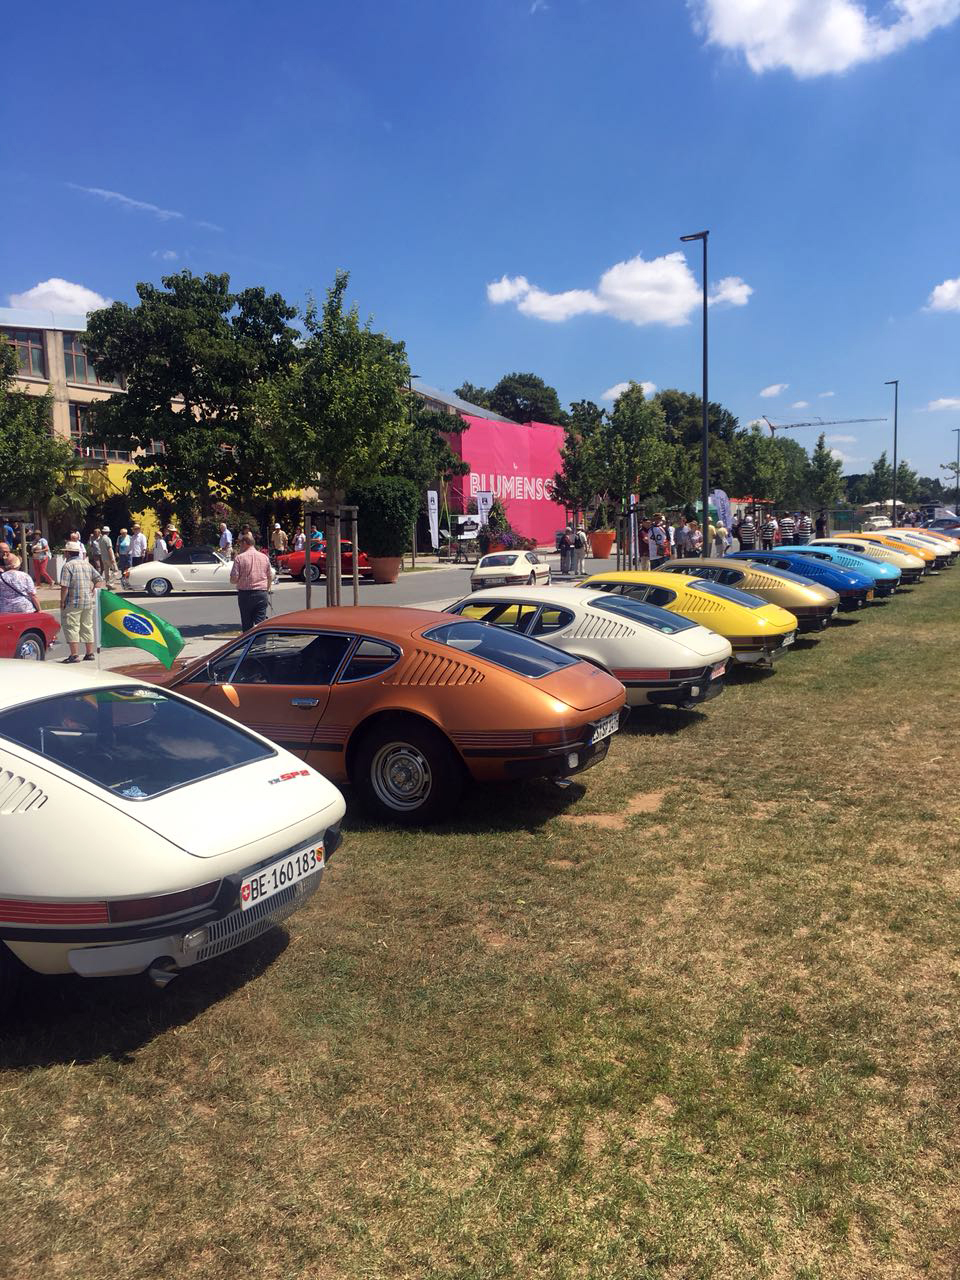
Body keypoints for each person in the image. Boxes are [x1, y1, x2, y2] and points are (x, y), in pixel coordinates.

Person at [59, 541, 104, 662]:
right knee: (87, 626)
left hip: (73, 601)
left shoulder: (68, 566)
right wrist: (93, 590)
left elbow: (64, 586)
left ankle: (74, 654)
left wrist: (62, 601)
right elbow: (99, 579)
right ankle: (89, 653)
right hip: (87, 601)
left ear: (68, 553)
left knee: (72, 626)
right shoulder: (86, 564)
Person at [230, 532, 273, 631]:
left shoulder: (239, 558)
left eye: (241, 544)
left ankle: (249, 640)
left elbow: (234, 579)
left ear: (245, 543)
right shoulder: (264, 557)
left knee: (247, 624)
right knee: (260, 625)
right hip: (261, 593)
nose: (240, 546)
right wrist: (266, 589)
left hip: (245, 594)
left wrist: (235, 580)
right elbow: (270, 576)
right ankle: (261, 640)